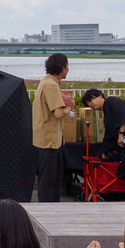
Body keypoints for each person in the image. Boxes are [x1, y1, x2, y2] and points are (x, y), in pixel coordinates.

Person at [80, 88, 125, 202]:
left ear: (100, 96)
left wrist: (121, 133)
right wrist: (105, 152)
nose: (90, 104)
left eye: (91, 100)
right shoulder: (106, 116)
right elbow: (108, 137)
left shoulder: (111, 101)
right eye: (88, 103)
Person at [32, 53, 75, 202]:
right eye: (67, 66)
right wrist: (69, 107)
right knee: (50, 181)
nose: (68, 70)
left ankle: (49, 206)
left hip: (44, 138)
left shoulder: (46, 81)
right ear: (62, 68)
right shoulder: (51, 85)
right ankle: (48, 209)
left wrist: (61, 96)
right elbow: (58, 113)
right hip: (49, 140)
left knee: (50, 178)